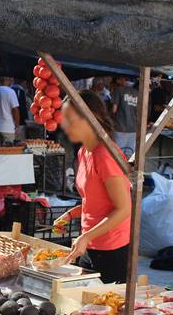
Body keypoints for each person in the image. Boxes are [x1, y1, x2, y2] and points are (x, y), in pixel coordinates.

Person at [55, 90, 131, 284]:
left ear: (91, 118)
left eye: (71, 120)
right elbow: (95, 199)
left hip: (111, 250)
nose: (66, 126)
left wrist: (87, 236)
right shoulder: (84, 152)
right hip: (89, 244)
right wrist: (72, 214)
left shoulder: (106, 155)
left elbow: (123, 209)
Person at [111, 76, 138, 156]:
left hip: (120, 128)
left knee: (118, 156)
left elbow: (114, 109)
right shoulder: (137, 93)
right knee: (129, 156)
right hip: (133, 129)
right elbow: (138, 113)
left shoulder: (118, 90)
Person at [0, 75, 20, 144]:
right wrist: (17, 126)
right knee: (8, 151)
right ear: (8, 80)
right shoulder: (10, 92)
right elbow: (15, 110)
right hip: (8, 127)